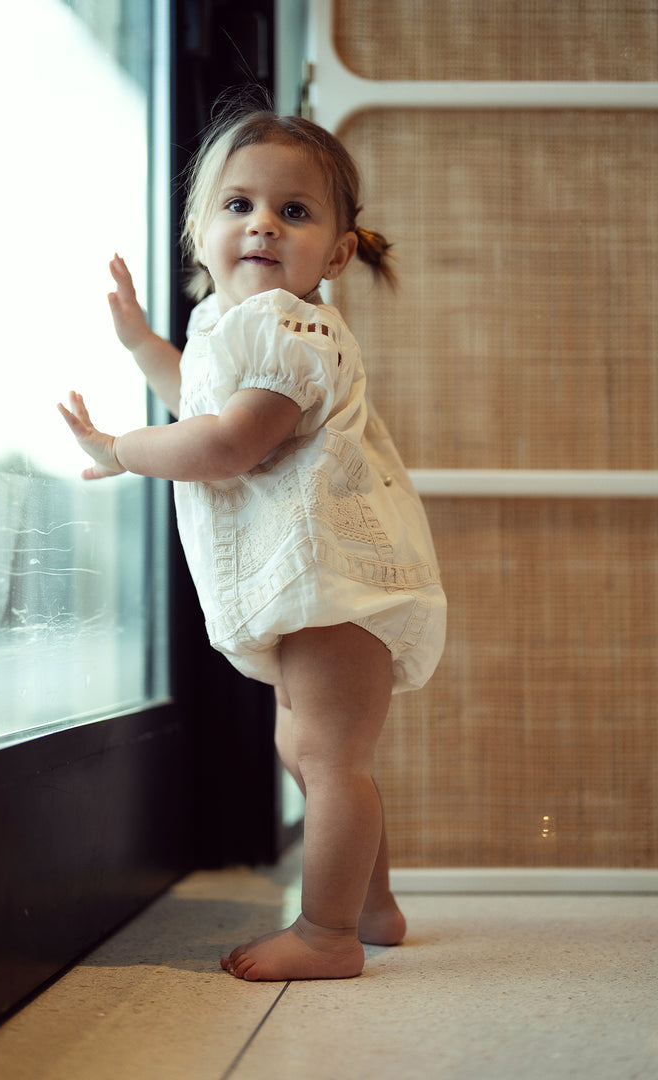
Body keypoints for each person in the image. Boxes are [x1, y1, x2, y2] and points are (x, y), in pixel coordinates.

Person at [59, 105, 446, 982]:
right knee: (312, 752)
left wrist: (122, 450)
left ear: (336, 257)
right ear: (201, 232)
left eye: (293, 211)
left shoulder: (292, 329)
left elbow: (230, 442)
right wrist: (141, 344)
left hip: (338, 580)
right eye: (239, 205)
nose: (263, 223)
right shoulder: (228, 327)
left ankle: (328, 934)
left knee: (331, 758)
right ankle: (373, 906)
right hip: (309, 579)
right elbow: (199, 397)